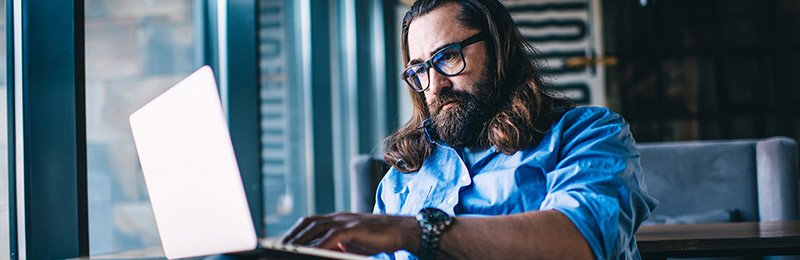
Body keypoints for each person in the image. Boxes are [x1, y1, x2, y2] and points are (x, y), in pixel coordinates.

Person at [282, 0, 657, 259]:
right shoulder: (400, 180)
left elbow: (581, 242)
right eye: (419, 70)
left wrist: (414, 232)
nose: (434, 85)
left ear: (499, 49)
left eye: (447, 57)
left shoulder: (588, 134)